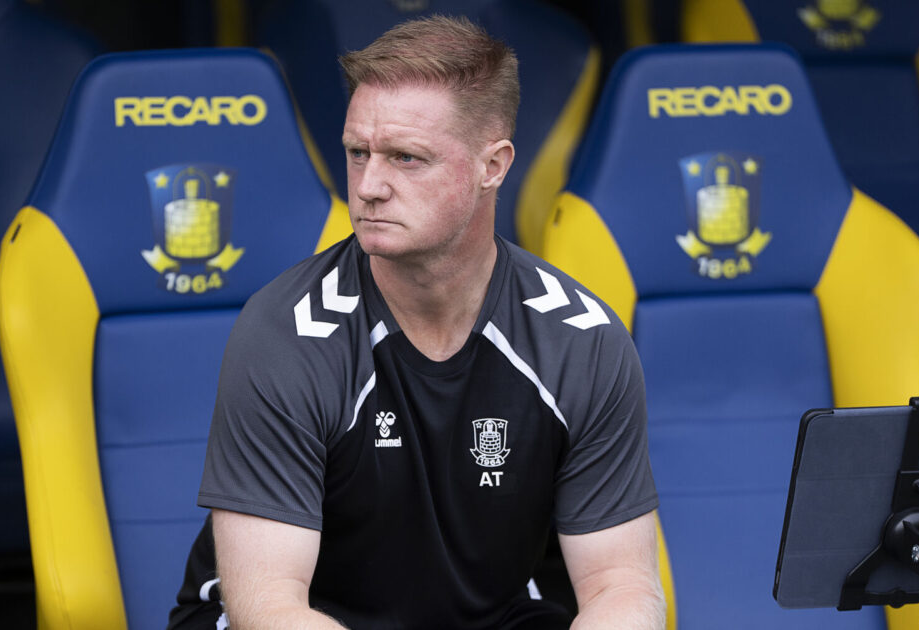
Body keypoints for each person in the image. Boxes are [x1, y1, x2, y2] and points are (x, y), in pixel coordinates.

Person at [168, 15, 663, 630]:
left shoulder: (581, 339)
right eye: (357, 153)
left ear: (494, 165)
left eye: (406, 157)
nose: (370, 186)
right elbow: (267, 606)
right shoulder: (287, 334)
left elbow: (623, 587)